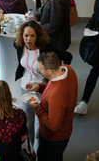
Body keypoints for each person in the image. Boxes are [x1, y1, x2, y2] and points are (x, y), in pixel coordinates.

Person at [14, 20, 73, 158]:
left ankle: (36, 151)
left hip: (42, 89)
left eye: (32, 36)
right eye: (26, 35)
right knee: (28, 121)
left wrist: (58, 78)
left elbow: (68, 57)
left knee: (39, 124)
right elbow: (21, 62)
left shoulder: (45, 48)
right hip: (25, 88)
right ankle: (30, 147)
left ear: (38, 36)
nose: (28, 39)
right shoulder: (18, 45)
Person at [26, 52, 78, 161]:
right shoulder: (67, 69)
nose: (40, 71)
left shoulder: (57, 94)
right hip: (66, 129)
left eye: (41, 70)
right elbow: (52, 87)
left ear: (49, 71)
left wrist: (37, 107)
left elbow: (53, 125)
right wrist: (39, 87)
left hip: (53, 139)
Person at [74, 0, 99, 115]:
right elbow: (94, 16)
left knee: (95, 71)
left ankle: (85, 102)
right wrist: (88, 28)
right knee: (95, 71)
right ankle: (84, 102)